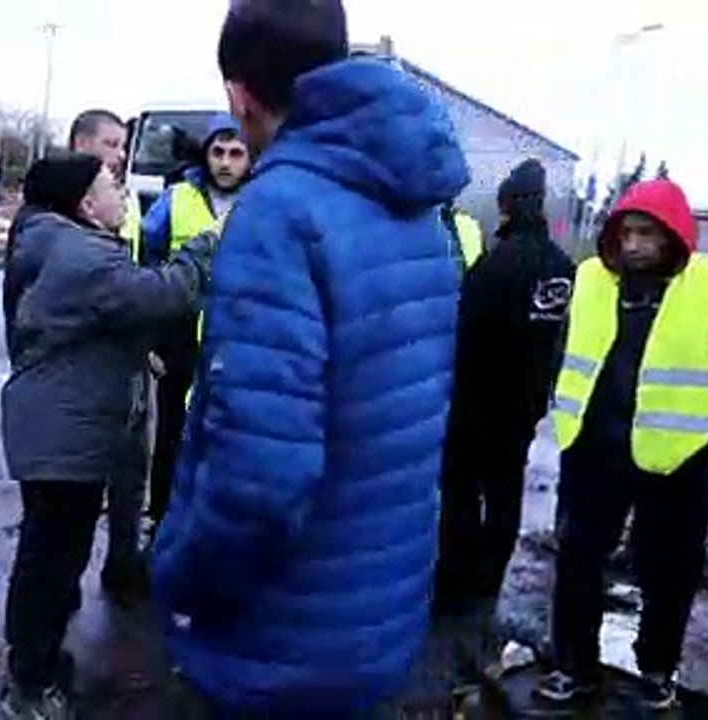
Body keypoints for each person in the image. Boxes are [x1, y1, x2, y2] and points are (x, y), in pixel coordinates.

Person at [150, 0, 471, 716]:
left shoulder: (279, 211)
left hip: (280, 640)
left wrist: (180, 577)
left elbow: (260, 478)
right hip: (374, 617)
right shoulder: (415, 206)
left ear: (239, 95)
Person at [536, 179, 708, 710]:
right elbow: (563, 355)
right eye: (625, 233)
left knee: (668, 574)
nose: (633, 245)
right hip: (593, 452)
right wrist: (561, 409)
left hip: (677, 462)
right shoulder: (591, 278)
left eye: (646, 234)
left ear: (672, 237)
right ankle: (574, 667)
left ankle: (658, 669)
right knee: (577, 562)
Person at [0, 154, 214, 719]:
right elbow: (166, 293)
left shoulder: (58, 242)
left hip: (56, 425)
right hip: (63, 433)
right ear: (86, 205)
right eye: (112, 185)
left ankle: (36, 662)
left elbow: (101, 317)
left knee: (48, 555)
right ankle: (29, 684)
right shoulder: (83, 254)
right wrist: (207, 245)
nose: (124, 192)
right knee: (51, 561)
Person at [2, 108, 150, 607]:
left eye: (122, 146)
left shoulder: (81, 223)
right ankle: (36, 660)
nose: (120, 157)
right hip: (67, 400)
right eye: (110, 146)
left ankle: (116, 565)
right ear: (81, 147)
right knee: (54, 538)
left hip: (95, 389)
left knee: (83, 517)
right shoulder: (62, 236)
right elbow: (140, 291)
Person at [435, 159, 575, 611]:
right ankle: (492, 572)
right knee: (505, 489)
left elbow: (466, 334)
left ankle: (458, 579)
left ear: (506, 206)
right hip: (527, 401)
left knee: (461, 489)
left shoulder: (495, 267)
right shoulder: (562, 267)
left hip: (477, 402)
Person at [140, 113, 251, 530]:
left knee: (228, 432)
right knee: (170, 431)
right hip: (180, 337)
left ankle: (215, 517)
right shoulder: (177, 198)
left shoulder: (261, 199)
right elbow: (148, 267)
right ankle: (162, 515)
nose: (225, 162)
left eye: (236, 153)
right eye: (218, 152)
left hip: (236, 336)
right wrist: (149, 339)